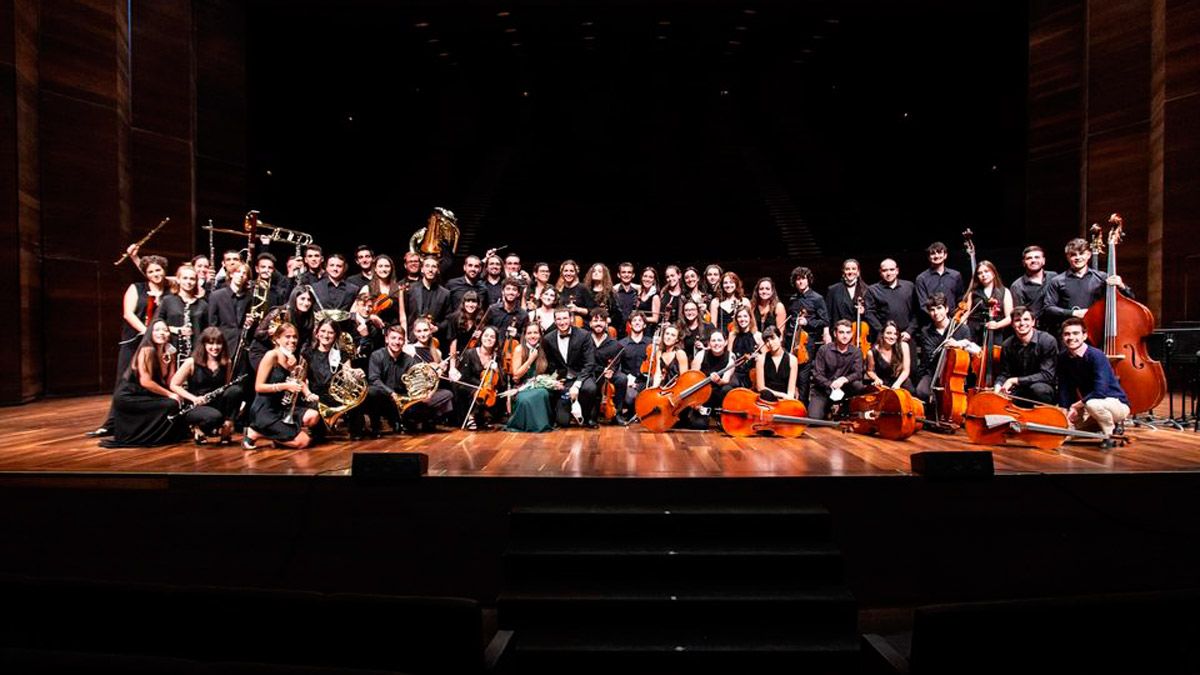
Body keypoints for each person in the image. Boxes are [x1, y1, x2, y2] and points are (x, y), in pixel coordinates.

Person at [89, 254, 170, 438]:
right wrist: (147, 332)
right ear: (145, 274)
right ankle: (111, 423)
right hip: (134, 341)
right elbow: (128, 314)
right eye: (151, 271)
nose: (155, 274)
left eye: (158, 270)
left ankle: (145, 423)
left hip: (158, 345)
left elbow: (182, 276)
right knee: (124, 382)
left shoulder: (170, 289)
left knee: (153, 381)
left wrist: (135, 257)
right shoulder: (136, 288)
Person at [100, 319, 184, 447]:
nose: (161, 333)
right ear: (150, 333)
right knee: (170, 403)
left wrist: (178, 392)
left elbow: (170, 379)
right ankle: (153, 438)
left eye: (165, 330)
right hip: (131, 395)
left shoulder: (170, 351)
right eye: (157, 330)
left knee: (177, 403)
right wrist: (170, 394)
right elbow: (146, 382)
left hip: (147, 393)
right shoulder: (147, 350)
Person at [244, 322, 320, 450]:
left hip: (281, 407)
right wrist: (285, 386)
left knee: (313, 416)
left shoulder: (292, 357)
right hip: (265, 409)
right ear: (277, 339)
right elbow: (259, 387)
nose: (292, 340)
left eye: (295, 337)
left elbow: (296, 381)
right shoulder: (271, 355)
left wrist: (308, 393)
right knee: (304, 441)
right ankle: (257, 432)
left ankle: (279, 435)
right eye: (288, 336)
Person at [365, 324, 454, 434]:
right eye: (393, 338)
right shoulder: (377, 355)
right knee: (372, 391)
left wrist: (426, 391)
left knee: (446, 394)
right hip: (386, 397)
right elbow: (374, 380)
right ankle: (385, 421)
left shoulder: (409, 360)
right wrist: (391, 393)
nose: (397, 342)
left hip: (405, 398)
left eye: (400, 339)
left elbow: (419, 380)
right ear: (387, 339)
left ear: (403, 341)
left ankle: (404, 420)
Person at [1058, 318, 1129, 448]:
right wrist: (1063, 411)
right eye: (1067, 334)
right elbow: (1064, 387)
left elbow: (1099, 392)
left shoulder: (1096, 355)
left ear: (1084, 336)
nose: (1071, 337)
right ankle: (1101, 426)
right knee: (1064, 434)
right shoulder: (1063, 357)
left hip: (1114, 403)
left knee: (1092, 404)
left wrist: (1075, 406)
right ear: (1062, 337)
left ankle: (1109, 433)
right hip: (1090, 406)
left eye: (1075, 333)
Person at [1043, 237, 1133, 335]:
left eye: (1081, 253)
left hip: (1098, 331)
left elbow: (1130, 299)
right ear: (1067, 257)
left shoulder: (1102, 278)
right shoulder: (1057, 281)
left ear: (1089, 255)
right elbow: (1048, 308)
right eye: (1073, 255)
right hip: (1070, 333)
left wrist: (1121, 285)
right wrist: (1073, 313)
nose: (1078, 257)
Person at [169, 327, 241, 444]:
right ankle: (197, 428)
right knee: (214, 417)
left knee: (235, 390)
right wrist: (194, 398)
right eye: (211, 343)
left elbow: (227, 387)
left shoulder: (226, 362)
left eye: (219, 343)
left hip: (217, 402)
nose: (215, 347)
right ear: (204, 344)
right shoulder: (191, 362)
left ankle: (227, 426)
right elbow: (174, 385)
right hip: (196, 404)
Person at [913, 293, 978, 405]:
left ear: (946, 309)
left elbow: (975, 352)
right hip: (934, 372)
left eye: (939, 308)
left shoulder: (962, 328)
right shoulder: (926, 331)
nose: (936, 313)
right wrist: (944, 346)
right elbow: (930, 355)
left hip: (956, 373)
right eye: (932, 310)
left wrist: (959, 345)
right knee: (921, 391)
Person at [307, 318, 367, 439]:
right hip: (317, 396)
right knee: (318, 436)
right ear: (317, 333)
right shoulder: (308, 353)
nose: (326, 335)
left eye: (330, 332)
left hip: (335, 395)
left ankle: (355, 431)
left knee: (357, 398)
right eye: (323, 331)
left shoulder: (341, 353)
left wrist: (356, 373)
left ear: (335, 335)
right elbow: (302, 379)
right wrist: (308, 394)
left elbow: (347, 372)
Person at [541, 307, 597, 427]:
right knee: (563, 422)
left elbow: (590, 363)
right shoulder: (548, 339)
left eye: (565, 318)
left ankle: (587, 417)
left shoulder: (584, 335)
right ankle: (565, 412)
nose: (562, 322)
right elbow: (551, 364)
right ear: (555, 321)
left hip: (581, 375)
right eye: (559, 319)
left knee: (590, 388)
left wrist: (577, 384)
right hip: (562, 378)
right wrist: (555, 380)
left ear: (571, 319)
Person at [505, 322, 562, 432]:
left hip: (541, 385)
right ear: (525, 335)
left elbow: (553, 370)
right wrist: (530, 359)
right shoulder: (519, 349)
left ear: (540, 335)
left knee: (543, 393)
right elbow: (516, 375)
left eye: (535, 332)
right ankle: (524, 425)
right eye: (529, 333)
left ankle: (542, 425)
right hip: (523, 386)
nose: (532, 336)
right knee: (524, 399)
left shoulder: (545, 348)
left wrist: (553, 381)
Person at [995, 306, 1058, 405]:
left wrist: (1015, 380)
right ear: (1012, 324)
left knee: (1038, 390)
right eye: (1017, 320)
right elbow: (1004, 373)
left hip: (1042, 387)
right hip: (1019, 389)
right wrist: (998, 387)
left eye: (1026, 319)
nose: (1022, 323)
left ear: (1033, 322)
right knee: (1000, 402)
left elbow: (1047, 375)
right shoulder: (1007, 345)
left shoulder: (1047, 341)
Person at [785, 266, 829, 402]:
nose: (800, 282)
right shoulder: (792, 299)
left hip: (806, 342)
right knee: (791, 375)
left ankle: (803, 407)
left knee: (803, 377)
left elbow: (824, 321)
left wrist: (808, 323)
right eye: (797, 279)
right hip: (791, 340)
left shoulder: (817, 298)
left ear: (808, 280)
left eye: (803, 278)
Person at [809, 320, 867, 420]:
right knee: (814, 419)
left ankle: (844, 409)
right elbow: (817, 374)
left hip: (844, 390)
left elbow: (858, 373)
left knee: (858, 385)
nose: (845, 336)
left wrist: (844, 379)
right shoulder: (824, 350)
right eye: (841, 332)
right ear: (835, 334)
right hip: (824, 390)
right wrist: (830, 384)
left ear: (852, 334)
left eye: (848, 332)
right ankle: (827, 409)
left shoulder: (856, 352)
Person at [450, 325, 503, 430]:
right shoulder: (470, 353)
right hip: (467, 386)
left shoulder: (496, 356)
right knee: (478, 392)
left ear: (496, 340)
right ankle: (471, 417)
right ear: (481, 337)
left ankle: (482, 416)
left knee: (489, 393)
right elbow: (465, 377)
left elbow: (502, 381)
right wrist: (481, 385)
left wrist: (496, 370)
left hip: (486, 388)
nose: (488, 338)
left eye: (492, 337)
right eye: (486, 335)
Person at [156, 263, 208, 368]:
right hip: (171, 349)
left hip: (195, 352)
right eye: (185, 278)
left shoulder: (203, 304)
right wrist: (175, 330)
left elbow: (207, 330)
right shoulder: (168, 300)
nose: (188, 282)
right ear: (178, 280)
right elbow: (156, 323)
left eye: (192, 279)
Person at [865, 258, 919, 343]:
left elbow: (916, 311)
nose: (888, 273)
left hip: (906, 336)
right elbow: (869, 314)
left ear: (897, 271)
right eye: (885, 270)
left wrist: (909, 331)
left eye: (892, 269)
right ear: (880, 272)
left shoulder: (909, 287)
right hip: (883, 338)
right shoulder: (872, 290)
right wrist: (882, 332)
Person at [963, 260, 1015, 345]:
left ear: (994, 273)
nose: (983, 275)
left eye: (986, 271)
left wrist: (997, 325)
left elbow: (1009, 317)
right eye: (980, 273)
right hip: (974, 333)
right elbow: (966, 315)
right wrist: (963, 333)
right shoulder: (972, 293)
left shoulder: (1004, 291)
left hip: (995, 333)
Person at [614, 310, 651, 423]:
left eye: (640, 321)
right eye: (634, 320)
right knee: (630, 399)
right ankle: (633, 412)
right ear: (630, 324)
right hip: (629, 381)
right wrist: (628, 380)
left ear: (644, 325)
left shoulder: (650, 343)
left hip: (645, 381)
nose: (637, 323)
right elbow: (617, 367)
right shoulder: (621, 344)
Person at [692, 330, 735, 426]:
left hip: (719, 392)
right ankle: (705, 414)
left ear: (725, 342)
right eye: (713, 340)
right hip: (703, 394)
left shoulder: (731, 356)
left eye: (719, 340)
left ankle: (722, 415)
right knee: (699, 425)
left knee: (727, 389)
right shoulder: (701, 355)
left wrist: (719, 381)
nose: (716, 343)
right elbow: (692, 379)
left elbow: (726, 380)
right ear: (709, 343)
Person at [588, 308, 623, 423]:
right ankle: (591, 415)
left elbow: (615, 362)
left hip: (606, 374)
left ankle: (617, 414)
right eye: (595, 320)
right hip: (591, 374)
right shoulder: (585, 341)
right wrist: (601, 369)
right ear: (590, 324)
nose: (598, 323)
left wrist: (611, 370)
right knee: (591, 384)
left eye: (601, 320)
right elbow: (584, 362)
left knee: (622, 379)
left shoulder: (614, 343)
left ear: (606, 323)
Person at [915, 242, 965, 321]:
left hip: (952, 321)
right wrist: (938, 317)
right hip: (931, 322)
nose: (936, 256)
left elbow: (960, 299)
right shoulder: (921, 278)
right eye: (933, 253)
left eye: (939, 252)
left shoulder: (956, 275)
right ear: (928, 257)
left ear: (945, 255)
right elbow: (923, 305)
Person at [1009, 245, 1056, 325]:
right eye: (1029, 258)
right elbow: (1020, 315)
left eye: (1037, 257)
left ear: (1043, 260)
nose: (1033, 260)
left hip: (1057, 325)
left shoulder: (1054, 277)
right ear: (1023, 262)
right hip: (1036, 329)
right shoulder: (1017, 286)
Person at [406, 255, 452, 330]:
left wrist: (437, 328)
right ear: (422, 269)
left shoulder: (445, 294)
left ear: (438, 270)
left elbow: (449, 318)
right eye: (427, 266)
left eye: (434, 266)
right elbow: (404, 315)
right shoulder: (410, 289)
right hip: (412, 337)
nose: (430, 270)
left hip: (434, 338)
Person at [866, 321, 913, 392]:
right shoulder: (872, 352)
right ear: (882, 334)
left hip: (901, 381)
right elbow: (870, 371)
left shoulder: (904, 346)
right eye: (888, 333)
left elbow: (906, 371)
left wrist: (897, 384)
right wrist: (876, 379)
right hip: (883, 383)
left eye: (895, 334)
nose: (892, 337)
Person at [825, 259, 866, 339]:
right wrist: (826, 333)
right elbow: (827, 314)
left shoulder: (866, 290)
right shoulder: (833, 290)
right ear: (843, 272)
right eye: (847, 269)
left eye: (854, 269)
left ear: (858, 272)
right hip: (838, 334)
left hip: (859, 335)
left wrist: (864, 311)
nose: (850, 272)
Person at [756, 326, 798, 401]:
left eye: (773, 338)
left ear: (780, 337)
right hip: (766, 399)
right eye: (767, 341)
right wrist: (781, 395)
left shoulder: (793, 360)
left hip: (785, 401)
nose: (770, 343)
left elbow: (790, 393)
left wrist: (785, 398)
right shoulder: (761, 359)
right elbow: (760, 388)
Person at [728, 306, 762, 389]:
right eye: (739, 316)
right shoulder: (732, 335)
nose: (742, 319)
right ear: (736, 319)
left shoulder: (758, 335)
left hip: (752, 374)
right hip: (735, 373)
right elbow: (728, 355)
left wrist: (759, 357)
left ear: (750, 318)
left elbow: (765, 357)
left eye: (745, 316)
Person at [556, 259, 594, 325]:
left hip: (581, 325)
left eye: (571, 271)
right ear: (562, 272)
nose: (568, 273)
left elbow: (593, 310)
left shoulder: (583, 288)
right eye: (566, 271)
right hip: (562, 324)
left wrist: (577, 309)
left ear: (576, 273)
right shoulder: (559, 289)